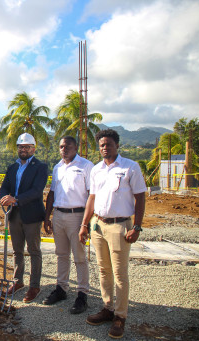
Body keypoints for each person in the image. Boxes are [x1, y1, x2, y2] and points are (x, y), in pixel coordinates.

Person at [79, 129, 146, 339]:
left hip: (120, 226)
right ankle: (107, 308)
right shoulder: (96, 170)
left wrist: (137, 227)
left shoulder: (130, 167)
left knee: (119, 274)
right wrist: (84, 225)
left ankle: (120, 316)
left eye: (108, 144)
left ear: (117, 145)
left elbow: (141, 198)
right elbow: (92, 198)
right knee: (103, 270)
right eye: (101, 145)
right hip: (98, 225)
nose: (104, 148)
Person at [43, 136, 93, 313]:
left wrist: (85, 224)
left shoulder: (86, 166)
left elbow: (91, 196)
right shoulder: (58, 167)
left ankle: (82, 294)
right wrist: (47, 217)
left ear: (76, 147)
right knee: (61, 254)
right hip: (58, 215)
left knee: (79, 257)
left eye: (68, 146)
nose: (64, 149)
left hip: (77, 216)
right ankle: (62, 288)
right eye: (61, 146)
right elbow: (52, 193)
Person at [0, 133, 48, 302]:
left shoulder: (40, 167)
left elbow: (36, 190)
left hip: (32, 214)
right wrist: (5, 197)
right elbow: (5, 186)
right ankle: (18, 281)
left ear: (33, 149)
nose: (24, 149)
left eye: (27, 147)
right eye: (21, 147)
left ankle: (34, 286)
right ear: (18, 148)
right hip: (14, 214)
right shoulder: (13, 167)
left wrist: (16, 199)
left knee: (34, 250)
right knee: (17, 250)